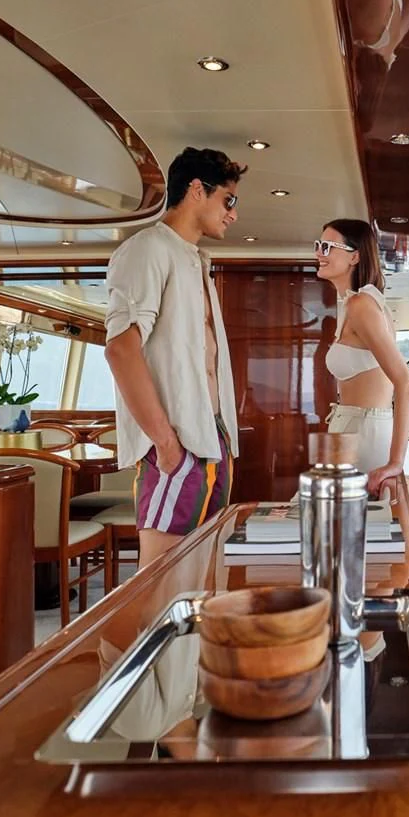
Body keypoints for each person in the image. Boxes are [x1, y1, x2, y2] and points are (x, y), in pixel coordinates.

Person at [104, 147, 245, 569]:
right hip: (178, 444)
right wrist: (166, 444)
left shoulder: (195, 260)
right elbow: (120, 349)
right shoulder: (148, 249)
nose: (233, 214)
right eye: (229, 200)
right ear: (197, 190)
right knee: (162, 582)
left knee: (200, 576)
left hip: (211, 438)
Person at [315, 219, 409, 497]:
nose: (319, 254)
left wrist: (396, 462)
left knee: (335, 528)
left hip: (363, 432)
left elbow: (406, 384)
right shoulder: (355, 303)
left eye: (327, 247)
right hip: (352, 428)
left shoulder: (362, 305)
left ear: (355, 256)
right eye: (318, 246)